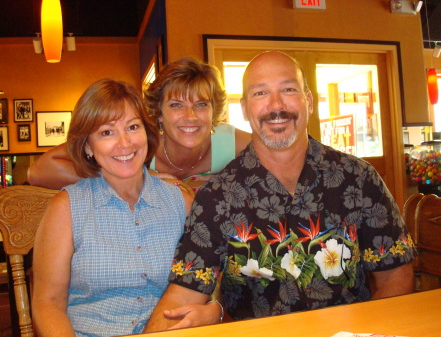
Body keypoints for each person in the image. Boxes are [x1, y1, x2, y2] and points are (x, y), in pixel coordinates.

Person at [143, 51, 417, 332]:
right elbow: (184, 293)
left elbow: (396, 276)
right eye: (261, 93)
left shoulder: (359, 179)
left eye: (288, 89)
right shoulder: (216, 197)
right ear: (246, 108)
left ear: (308, 100)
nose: (276, 105)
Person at [31, 79, 200, 337]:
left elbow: (204, 284)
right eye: (106, 132)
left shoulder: (180, 202)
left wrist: (215, 308)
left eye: (132, 127)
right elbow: (48, 304)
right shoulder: (66, 209)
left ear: (147, 132)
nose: (125, 144)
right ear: (88, 146)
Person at [27, 57, 252, 191]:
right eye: (176, 105)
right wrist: (135, 177)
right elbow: (39, 172)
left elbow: (283, 160)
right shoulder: (141, 140)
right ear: (159, 112)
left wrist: (229, 179)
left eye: (201, 105)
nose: (190, 116)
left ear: (214, 112)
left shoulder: (228, 141)